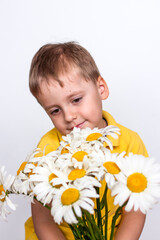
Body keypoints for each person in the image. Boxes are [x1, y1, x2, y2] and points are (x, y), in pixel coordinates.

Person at [25, 42, 148, 240]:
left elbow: (134, 212)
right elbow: (42, 220)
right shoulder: (47, 149)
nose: (68, 116)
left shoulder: (129, 142)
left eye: (76, 100)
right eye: (55, 111)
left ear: (101, 89)